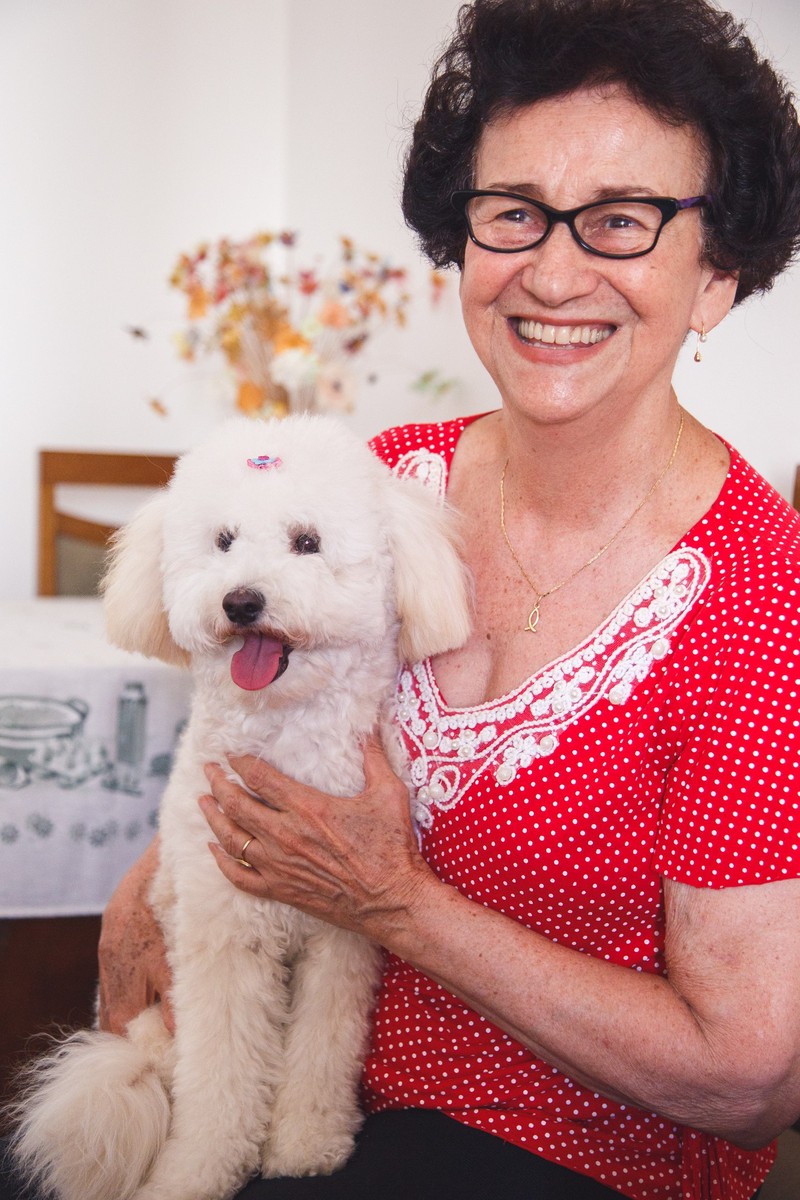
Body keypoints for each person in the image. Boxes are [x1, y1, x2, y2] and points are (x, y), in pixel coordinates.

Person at [4, 0, 800, 1197]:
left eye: (622, 221)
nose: (552, 267)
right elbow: (248, 731)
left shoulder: (760, 599)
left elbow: (746, 1080)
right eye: (514, 212)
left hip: (554, 1150)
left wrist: (395, 906)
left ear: (715, 274)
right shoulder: (381, 477)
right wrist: (148, 883)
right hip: (284, 1084)